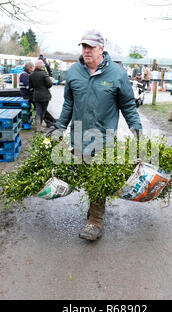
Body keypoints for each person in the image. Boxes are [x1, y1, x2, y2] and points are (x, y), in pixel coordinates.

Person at [50, 29, 142, 241]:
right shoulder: (73, 72)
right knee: (82, 175)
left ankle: (95, 221)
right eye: (84, 46)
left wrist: (136, 127)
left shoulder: (117, 74)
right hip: (79, 136)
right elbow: (69, 103)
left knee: (97, 179)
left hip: (104, 138)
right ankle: (94, 209)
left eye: (91, 47)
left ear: (102, 48)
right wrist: (60, 126)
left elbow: (128, 104)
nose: (86, 50)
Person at [30, 60, 53, 132]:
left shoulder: (31, 74)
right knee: (43, 112)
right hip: (45, 96)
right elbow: (50, 84)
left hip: (36, 96)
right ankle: (39, 127)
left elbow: (30, 86)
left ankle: (38, 126)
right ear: (41, 66)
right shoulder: (44, 74)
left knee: (38, 111)